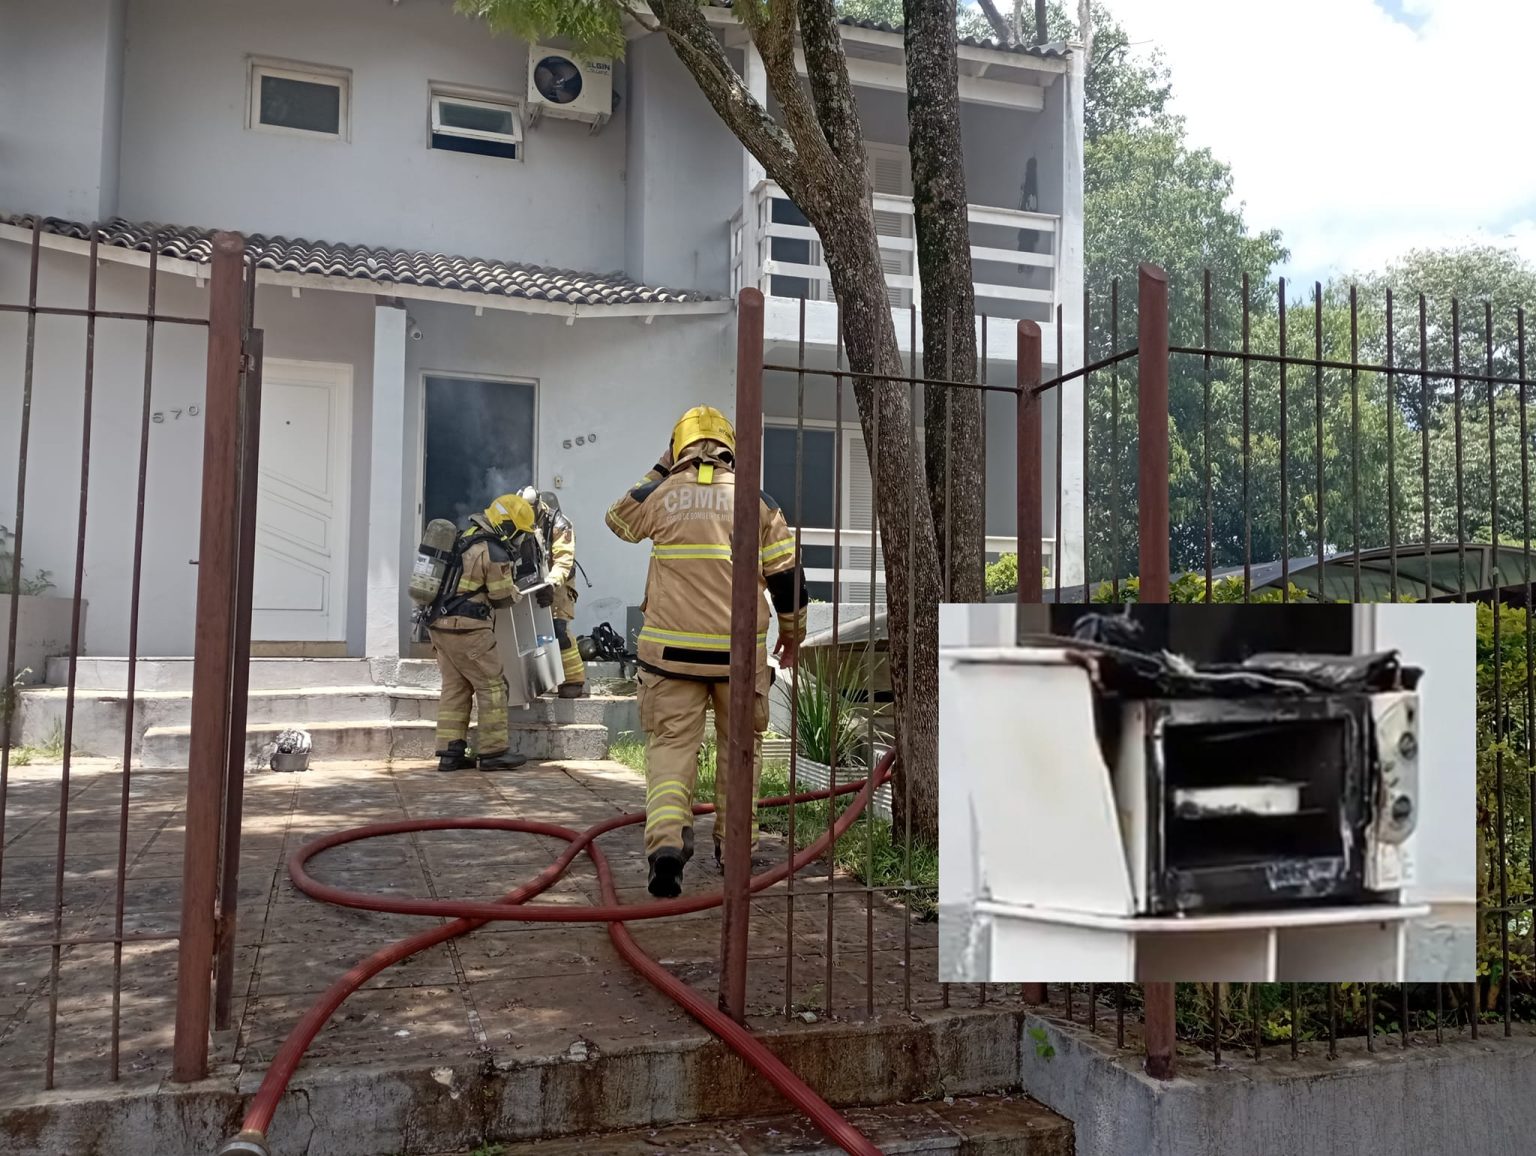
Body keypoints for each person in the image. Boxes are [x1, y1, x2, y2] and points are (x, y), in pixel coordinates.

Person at [606, 405, 809, 898]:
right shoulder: (757, 503)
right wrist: (793, 634)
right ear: (730, 448)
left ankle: (666, 848)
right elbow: (787, 579)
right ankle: (734, 851)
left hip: (668, 658)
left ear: (678, 447)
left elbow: (618, 519)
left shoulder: (661, 495)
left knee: (671, 750)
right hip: (736, 661)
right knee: (739, 754)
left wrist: (661, 468)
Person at [427, 492, 535, 773]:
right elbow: (501, 596)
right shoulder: (494, 549)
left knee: (455, 688)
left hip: (439, 626)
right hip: (470, 630)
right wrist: (517, 592)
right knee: (493, 687)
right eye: (518, 532)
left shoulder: (462, 538)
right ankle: (492, 752)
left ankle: (450, 753)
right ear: (507, 526)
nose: (518, 539)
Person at [519, 486, 586, 698]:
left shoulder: (560, 524)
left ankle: (574, 681)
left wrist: (551, 584)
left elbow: (564, 561)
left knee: (559, 628)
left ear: (538, 506)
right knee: (530, 630)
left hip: (559, 582)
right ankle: (539, 680)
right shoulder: (518, 520)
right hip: (532, 581)